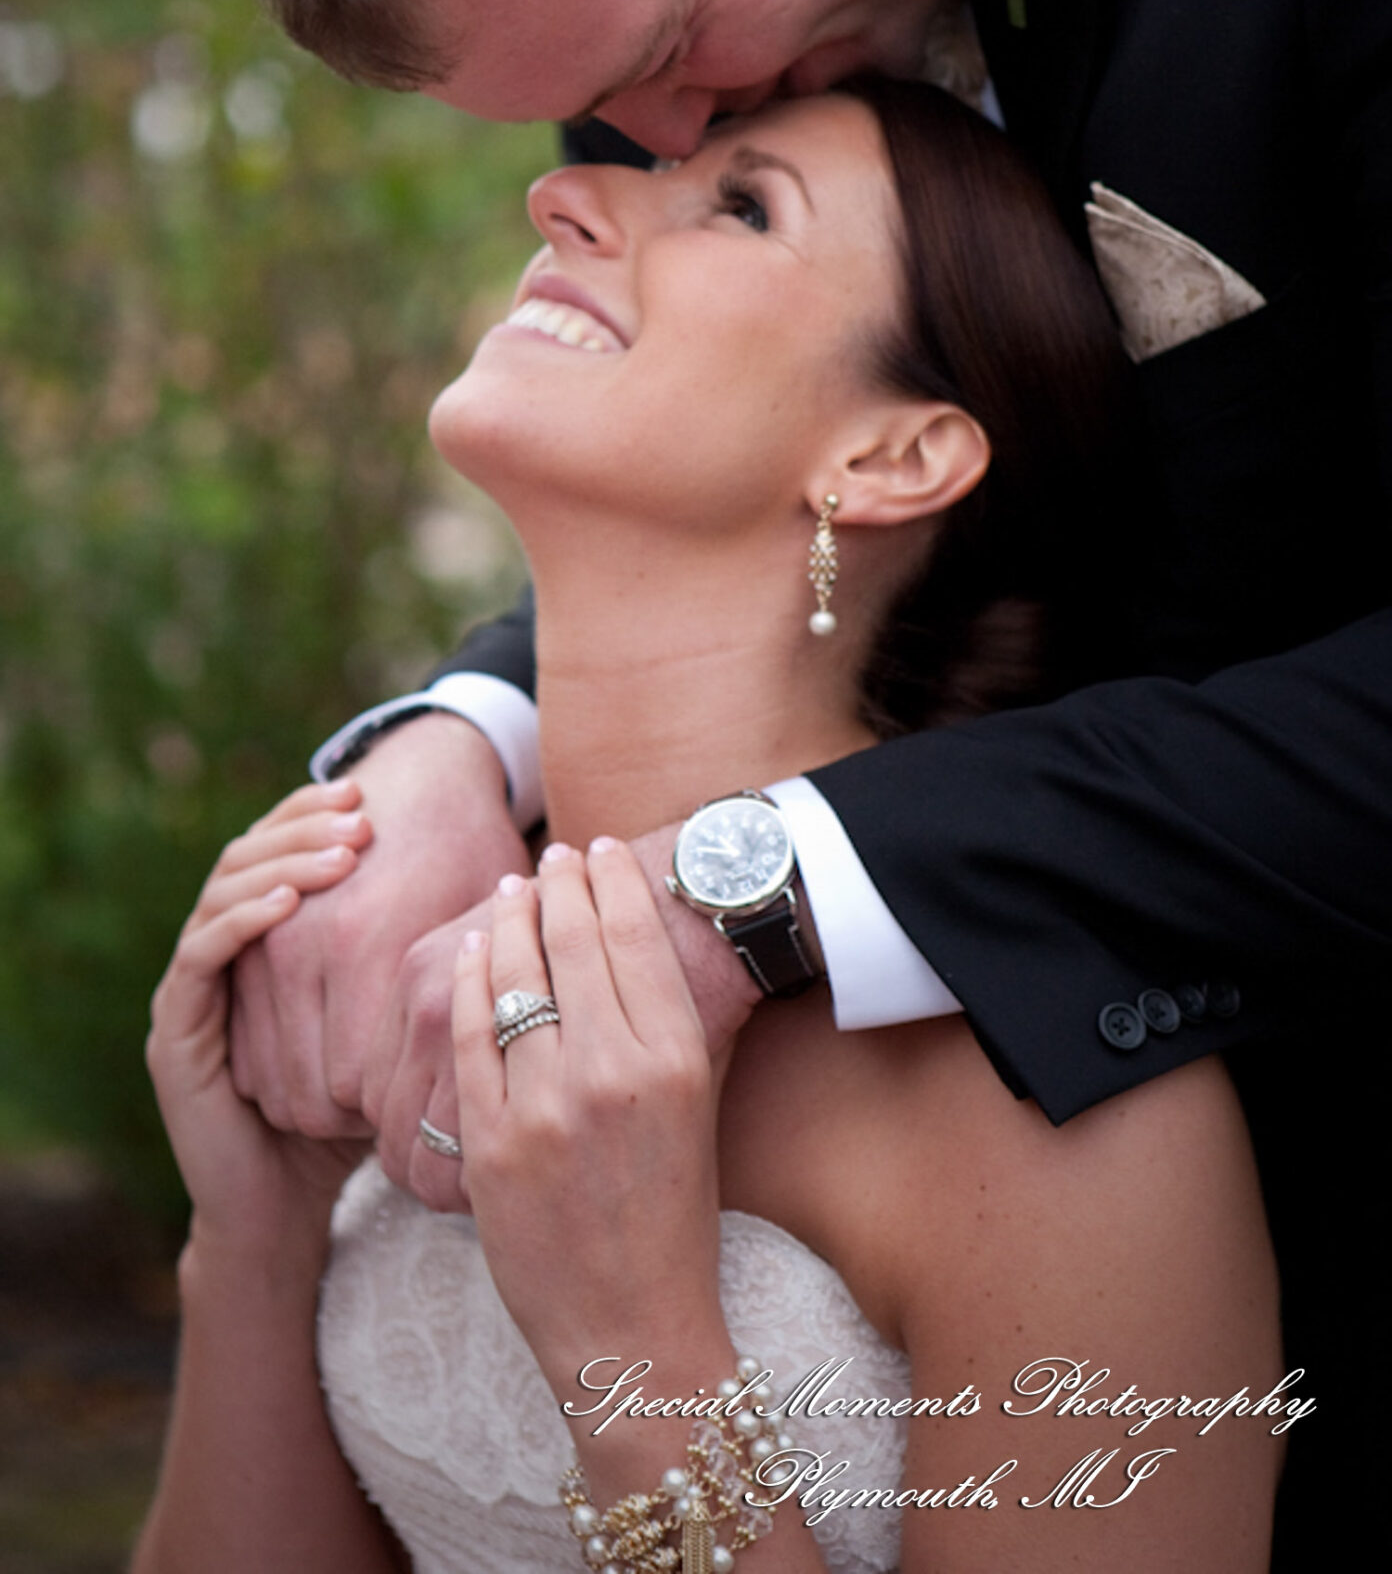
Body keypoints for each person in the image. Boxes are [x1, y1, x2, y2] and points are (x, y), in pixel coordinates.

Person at [209, 0, 1392, 1558]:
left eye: (676, 78)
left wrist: (756, 883)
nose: (628, 173)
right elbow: (775, 466)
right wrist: (468, 745)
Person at [137, 82, 1285, 1574]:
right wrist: (255, 1235)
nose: (565, 197)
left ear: (891, 460)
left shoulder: (1069, 1102)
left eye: (741, 206)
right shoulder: (405, 948)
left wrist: (635, 1346)